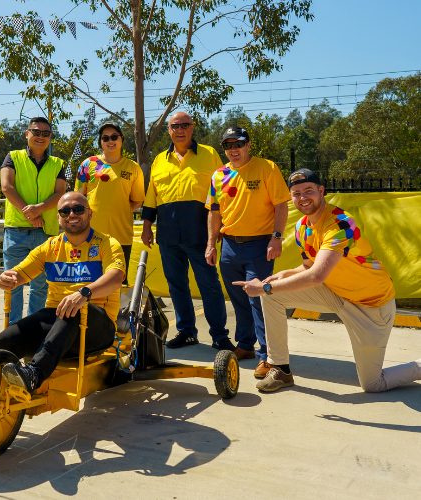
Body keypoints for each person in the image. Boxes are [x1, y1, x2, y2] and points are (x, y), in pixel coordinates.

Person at [0, 191, 125, 450]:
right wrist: (8, 278)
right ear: (58, 218)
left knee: (71, 309)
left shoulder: (106, 243)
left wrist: (84, 293)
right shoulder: (51, 247)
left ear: (89, 213)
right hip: (61, 318)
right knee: (6, 339)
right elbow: (22, 272)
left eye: (78, 209)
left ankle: (33, 376)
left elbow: (116, 277)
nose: (72, 215)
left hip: (97, 323)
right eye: (65, 211)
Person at [234, 168, 421, 393]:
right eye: (296, 193)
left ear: (321, 191)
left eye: (308, 191)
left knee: (373, 384)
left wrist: (265, 286)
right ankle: (280, 368)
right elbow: (308, 266)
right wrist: (283, 275)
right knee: (272, 297)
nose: (302, 198)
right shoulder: (302, 226)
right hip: (337, 295)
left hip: (371, 306)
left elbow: (316, 276)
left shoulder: (340, 223)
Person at [141, 112, 231, 350]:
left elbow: (223, 190)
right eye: (174, 126)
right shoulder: (160, 159)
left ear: (192, 128)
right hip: (168, 235)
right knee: (176, 285)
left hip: (200, 233)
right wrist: (147, 227)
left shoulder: (209, 155)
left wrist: (221, 224)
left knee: (209, 285)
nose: (179, 130)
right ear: (168, 130)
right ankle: (186, 332)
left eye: (184, 125)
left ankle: (220, 335)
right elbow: (152, 196)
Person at [205, 126, 290, 368]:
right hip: (230, 246)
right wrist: (211, 244)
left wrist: (276, 237)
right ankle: (245, 345)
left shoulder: (266, 168)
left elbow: (281, 204)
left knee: (259, 300)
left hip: (260, 245)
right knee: (239, 299)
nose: (234, 149)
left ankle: (268, 356)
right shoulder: (218, 175)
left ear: (248, 145)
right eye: (228, 145)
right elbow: (214, 211)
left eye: (238, 144)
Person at [1, 117, 66, 324]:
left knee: (41, 285)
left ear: (50, 137)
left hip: (45, 233)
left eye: (46, 133)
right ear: (27, 134)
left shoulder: (58, 164)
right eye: (36, 132)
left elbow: (60, 193)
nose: (40, 137)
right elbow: (6, 187)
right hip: (16, 231)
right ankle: (12, 332)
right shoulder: (12, 157)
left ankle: (33, 331)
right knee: (13, 283)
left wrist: (38, 209)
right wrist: (29, 213)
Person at [75, 122, 145, 283]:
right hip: (90, 236)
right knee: (88, 283)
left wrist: (119, 210)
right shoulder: (88, 164)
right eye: (105, 138)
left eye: (114, 137)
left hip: (121, 237)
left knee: (118, 283)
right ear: (100, 142)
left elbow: (137, 201)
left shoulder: (133, 167)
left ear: (122, 139)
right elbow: (79, 199)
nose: (110, 141)